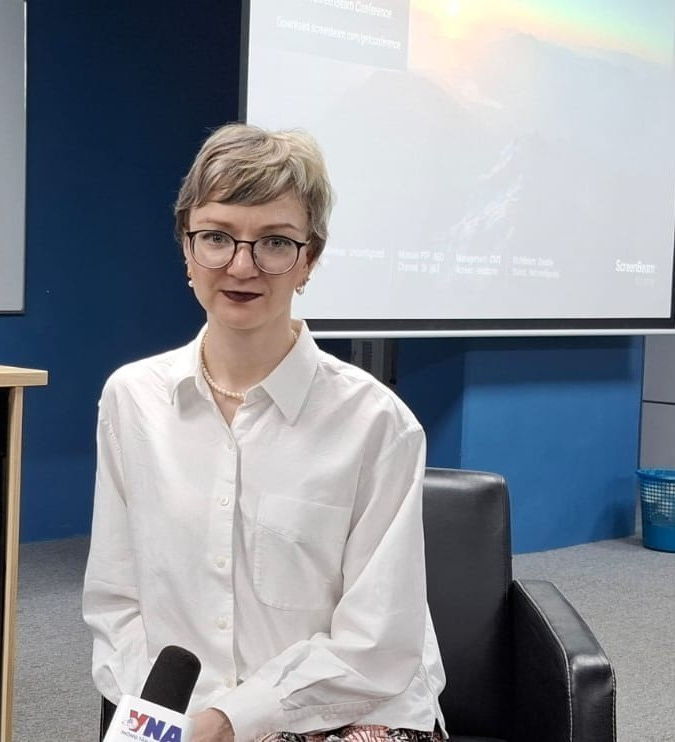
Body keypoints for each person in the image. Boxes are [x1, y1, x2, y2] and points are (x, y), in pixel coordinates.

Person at [82, 124, 446, 742]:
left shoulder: (377, 425)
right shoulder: (131, 400)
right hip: (185, 715)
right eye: (217, 238)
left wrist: (233, 720)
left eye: (275, 242)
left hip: (346, 713)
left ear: (311, 258)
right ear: (186, 249)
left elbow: (377, 646)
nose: (242, 266)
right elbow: (117, 600)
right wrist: (158, 719)